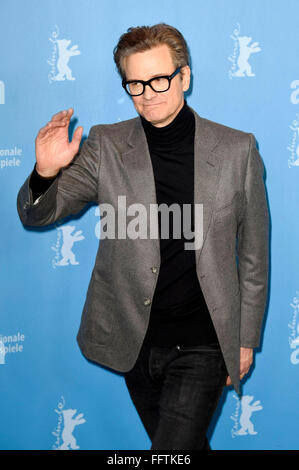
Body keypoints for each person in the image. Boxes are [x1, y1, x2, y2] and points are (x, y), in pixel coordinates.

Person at [17, 23, 269, 450]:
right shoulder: (107, 145)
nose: (147, 93)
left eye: (159, 79)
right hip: (134, 340)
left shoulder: (236, 150)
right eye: (135, 83)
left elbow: (254, 258)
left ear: (184, 77)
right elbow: (39, 214)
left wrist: (244, 340)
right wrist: (45, 172)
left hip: (203, 342)